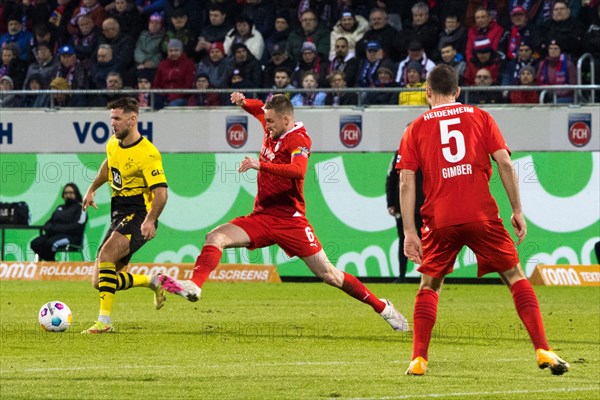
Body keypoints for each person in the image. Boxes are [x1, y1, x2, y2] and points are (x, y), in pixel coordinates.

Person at [173, 92, 409, 333]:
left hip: (291, 222)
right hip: (262, 217)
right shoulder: (271, 125)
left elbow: (298, 170)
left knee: (330, 275)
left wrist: (260, 164)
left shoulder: (299, 140)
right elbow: (258, 110)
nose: (267, 126)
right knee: (215, 237)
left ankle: (383, 307)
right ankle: (194, 285)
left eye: (271, 122)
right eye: (266, 121)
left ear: (286, 120)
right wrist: (244, 102)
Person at [397, 64, 569, 376]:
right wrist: (517, 210)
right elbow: (504, 161)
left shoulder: (415, 127)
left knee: (429, 284)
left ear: (428, 92)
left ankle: (419, 359)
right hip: (481, 215)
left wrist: (410, 232)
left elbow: (406, 182)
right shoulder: (480, 116)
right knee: (515, 276)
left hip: (440, 220)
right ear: (458, 91)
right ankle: (543, 349)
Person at [80, 97, 181, 334]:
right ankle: (154, 281)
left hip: (139, 213)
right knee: (100, 281)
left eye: (116, 118)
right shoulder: (113, 144)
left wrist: (150, 220)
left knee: (106, 254)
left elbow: (161, 194)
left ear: (132, 119)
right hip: (119, 213)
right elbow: (108, 165)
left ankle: (104, 322)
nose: (112, 123)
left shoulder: (148, 154)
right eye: (111, 118)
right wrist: (92, 188)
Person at [385, 150, 423, 283]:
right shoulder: (399, 154)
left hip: (424, 205)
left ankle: (427, 275)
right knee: (404, 240)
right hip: (404, 206)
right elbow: (391, 178)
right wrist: (391, 203)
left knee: (426, 241)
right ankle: (402, 275)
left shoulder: (427, 150)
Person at [31, 183, 87, 261]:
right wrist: (51, 229)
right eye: (66, 193)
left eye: (71, 192)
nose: (68, 195)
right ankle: (53, 264)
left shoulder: (80, 208)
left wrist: (57, 229)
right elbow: (48, 224)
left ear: (76, 194)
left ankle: (53, 267)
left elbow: (77, 227)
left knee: (51, 244)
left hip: (71, 238)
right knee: (35, 243)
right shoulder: (60, 208)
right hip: (54, 235)